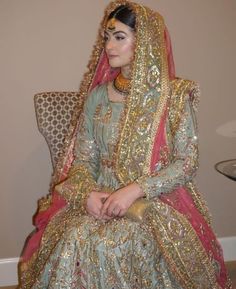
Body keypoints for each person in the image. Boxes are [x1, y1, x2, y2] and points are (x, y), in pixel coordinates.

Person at [18, 1, 232, 288]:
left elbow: (186, 163)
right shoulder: (97, 97)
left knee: (114, 245)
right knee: (73, 238)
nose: (109, 46)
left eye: (119, 37)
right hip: (99, 198)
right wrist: (86, 196)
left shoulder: (176, 96)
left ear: (144, 42)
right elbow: (84, 161)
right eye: (107, 37)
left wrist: (134, 190)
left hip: (153, 200)